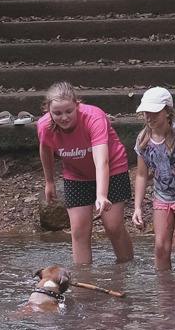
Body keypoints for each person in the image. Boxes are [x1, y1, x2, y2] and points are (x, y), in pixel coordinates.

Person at [35, 81, 133, 264]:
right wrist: (49, 182)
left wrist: (101, 195)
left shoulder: (93, 117)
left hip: (112, 169)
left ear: (77, 105)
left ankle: (126, 267)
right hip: (76, 173)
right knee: (79, 230)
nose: (64, 117)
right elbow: (45, 150)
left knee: (113, 226)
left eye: (68, 111)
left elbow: (101, 160)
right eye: (57, 113)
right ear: (48, 110)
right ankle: (83, 279)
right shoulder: (44, 126)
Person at [130, 86, 175, 272]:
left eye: (154, 112)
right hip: (162, 197)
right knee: (160, 245)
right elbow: (141, 175)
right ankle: (164, 291)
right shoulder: (143, 140)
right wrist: (137, 207)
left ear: (167, 112)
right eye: (146, 113)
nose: (149, 117)